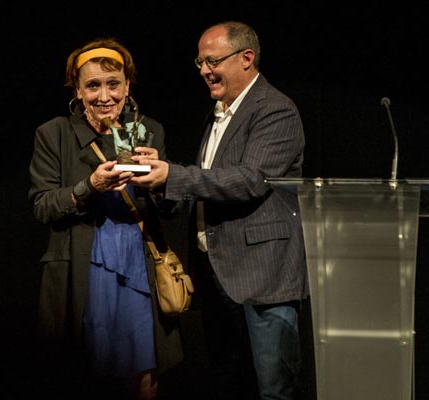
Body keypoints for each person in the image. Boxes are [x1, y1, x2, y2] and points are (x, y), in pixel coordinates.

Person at [130, 21, 309, 400]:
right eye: (199, 62)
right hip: (217, 273)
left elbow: (249, 181)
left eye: (212, 61)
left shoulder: (275, 109)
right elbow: (206, 183)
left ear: (246, 58)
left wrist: (172, 175)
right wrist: (157, 178)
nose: (203, 71)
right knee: (229, 380)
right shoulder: (218, 113)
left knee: (275, 388)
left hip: (263, 275)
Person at [28, 37, 183, 400]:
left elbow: (172, 208)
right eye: (92, 85)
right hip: (85, 262)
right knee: (90, 370)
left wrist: (160, 180)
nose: (104, 96)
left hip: (137, 259)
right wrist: (90, 186)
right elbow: (42, 206)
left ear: (127, 86)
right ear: (77, 90)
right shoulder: (54, 134)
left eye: (113, 84)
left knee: (144, 368)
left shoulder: (150, 130)